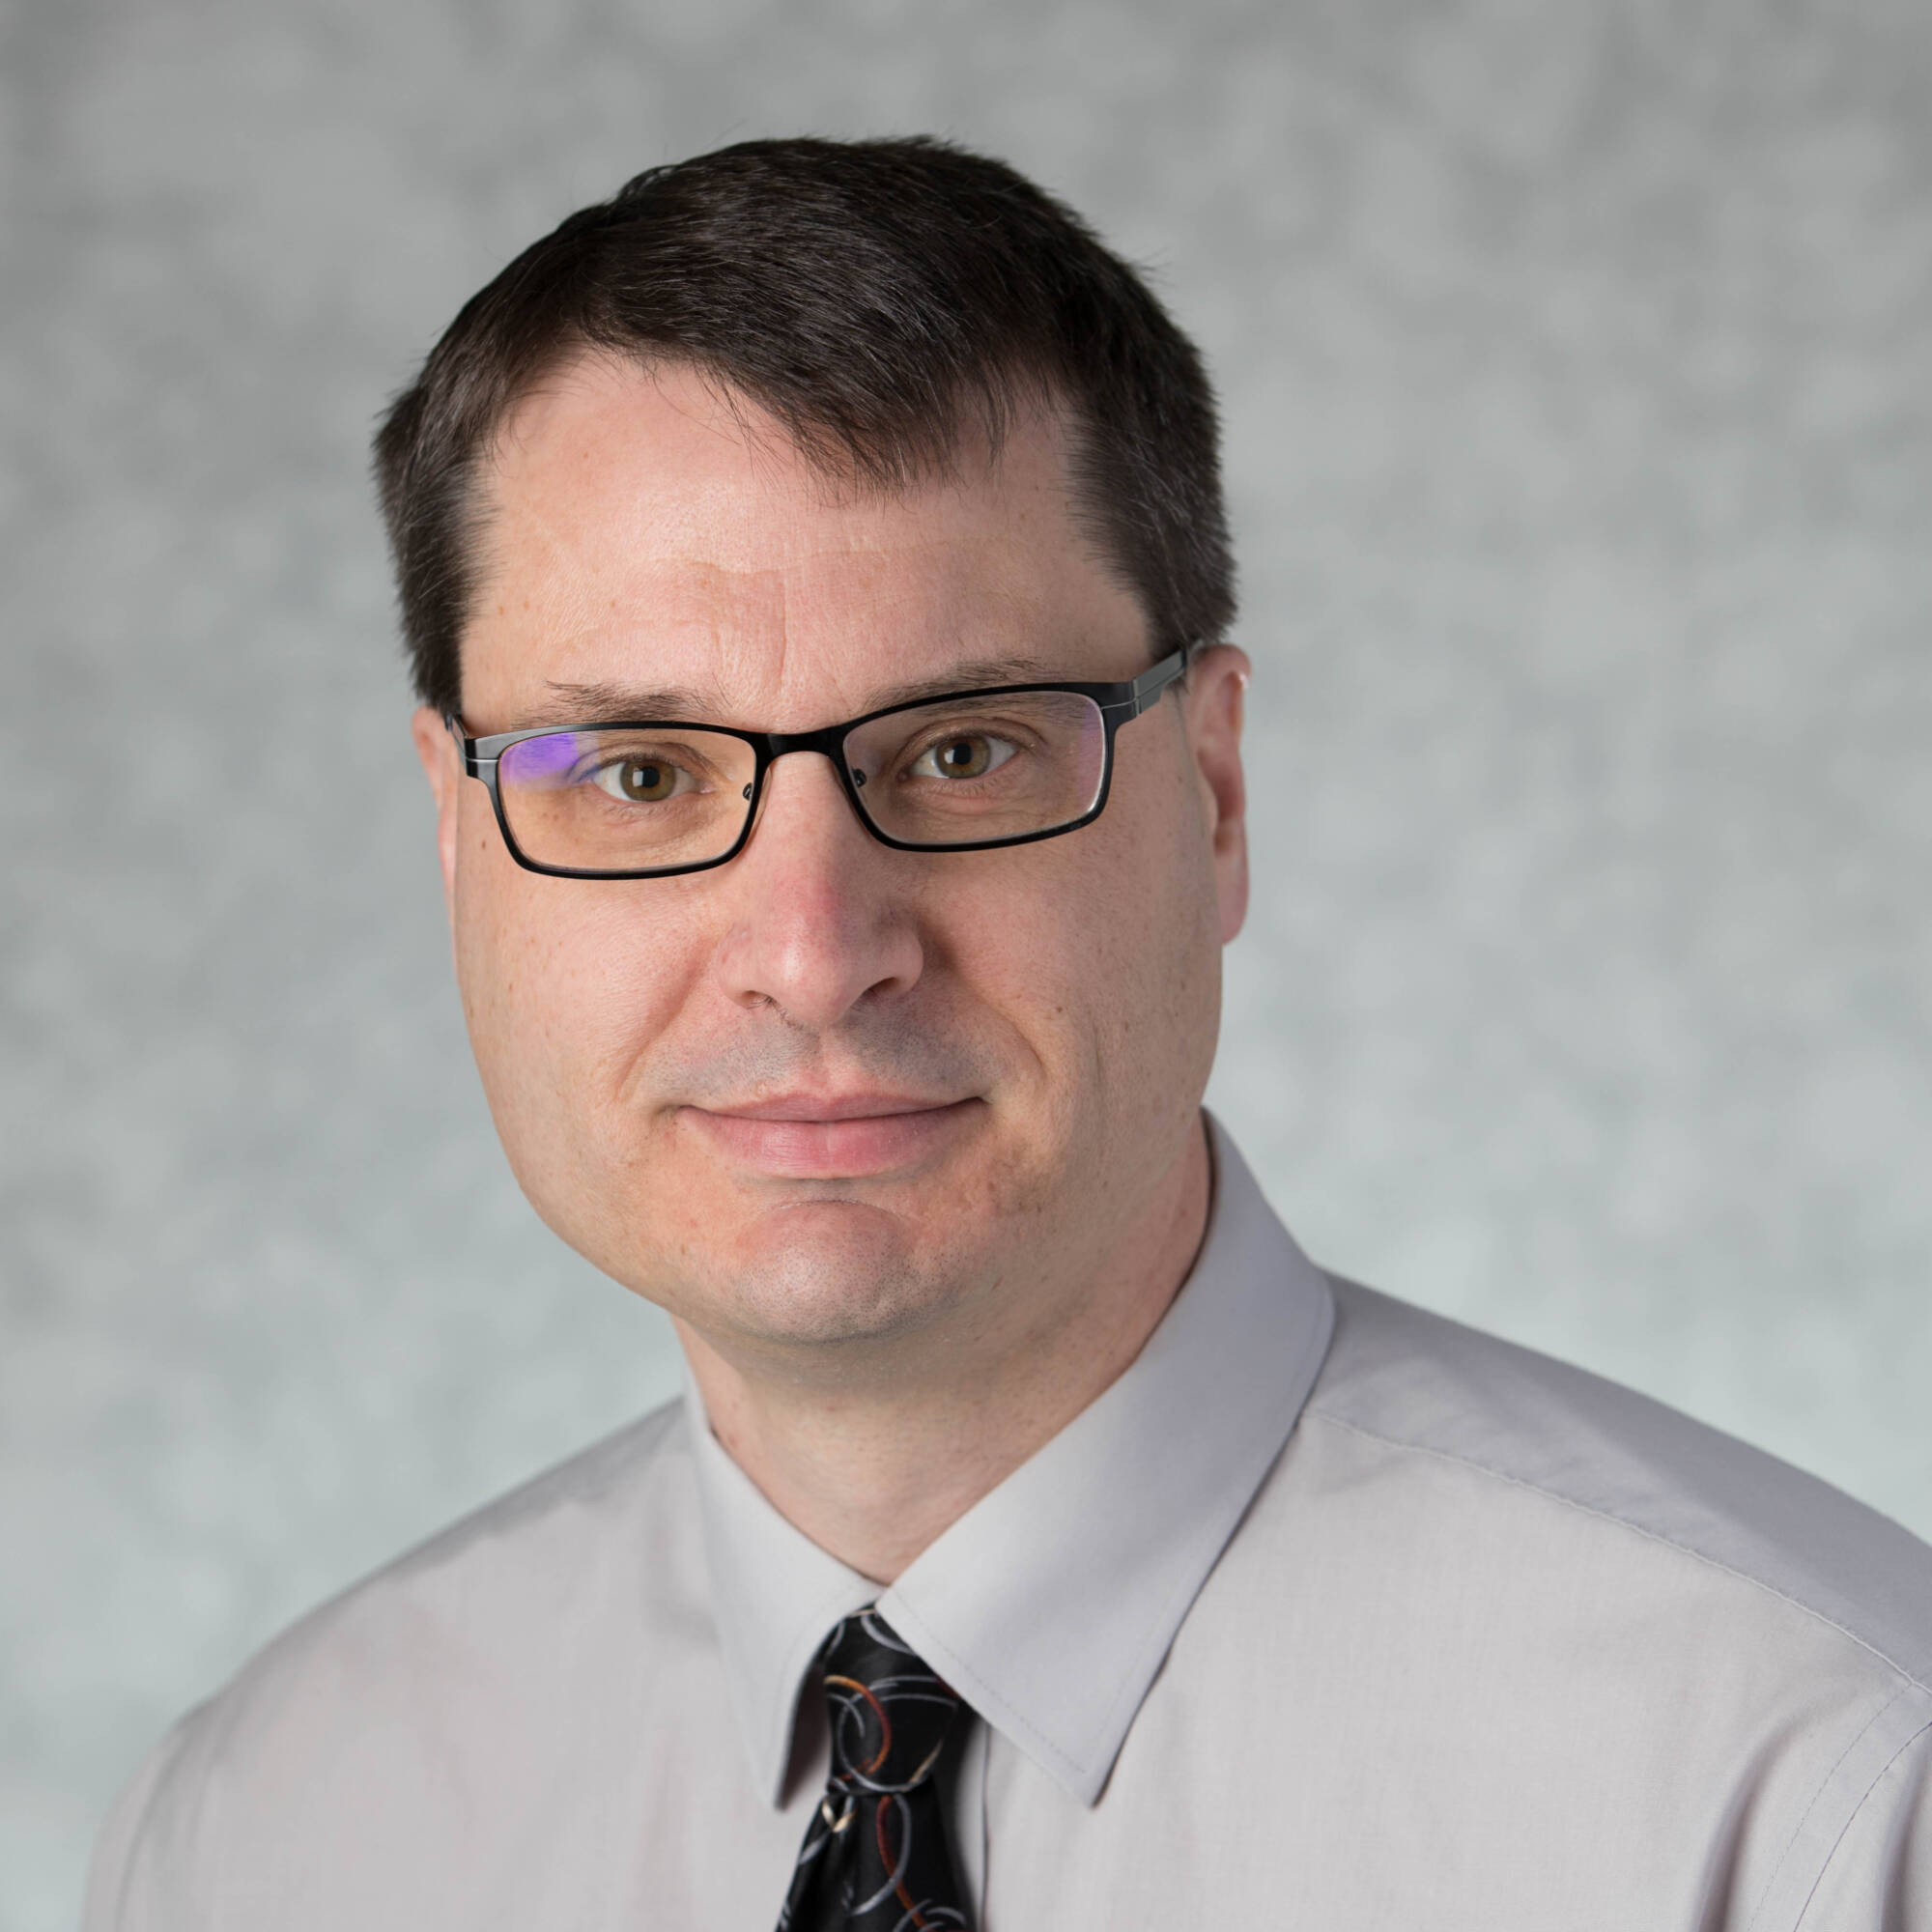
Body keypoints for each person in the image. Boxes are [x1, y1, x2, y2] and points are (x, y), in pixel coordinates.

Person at [86, 135, 1931, 1930]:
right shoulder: (262, 1839)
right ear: (457, 836)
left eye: (965, 753)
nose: (815, 953)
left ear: (1211, 795)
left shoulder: (1810, 1796)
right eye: (636, 770)